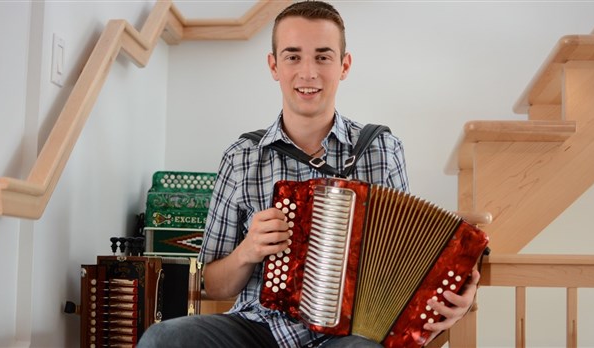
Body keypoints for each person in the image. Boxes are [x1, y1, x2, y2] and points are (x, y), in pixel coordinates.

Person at [138, 1, 480, 347]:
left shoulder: (381, 150)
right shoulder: (241, 157)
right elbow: (213, 284)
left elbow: (408, 257)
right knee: (163, 338)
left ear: (344, 65)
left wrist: (458, 295)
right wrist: (247, 251)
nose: (308, 72)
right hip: (259, 329)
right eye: (292, 56)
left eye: (322, 56)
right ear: (273, 66)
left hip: (349, 336)